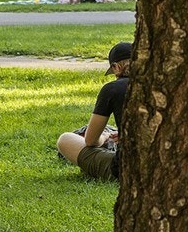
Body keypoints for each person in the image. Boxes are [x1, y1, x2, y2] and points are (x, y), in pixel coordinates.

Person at [57, 42, 133, 181]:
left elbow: (91, 140)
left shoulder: (113, 89)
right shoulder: (162, 84)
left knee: (65, 139)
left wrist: (105, 137)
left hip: (127, 169)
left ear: (116, 67)